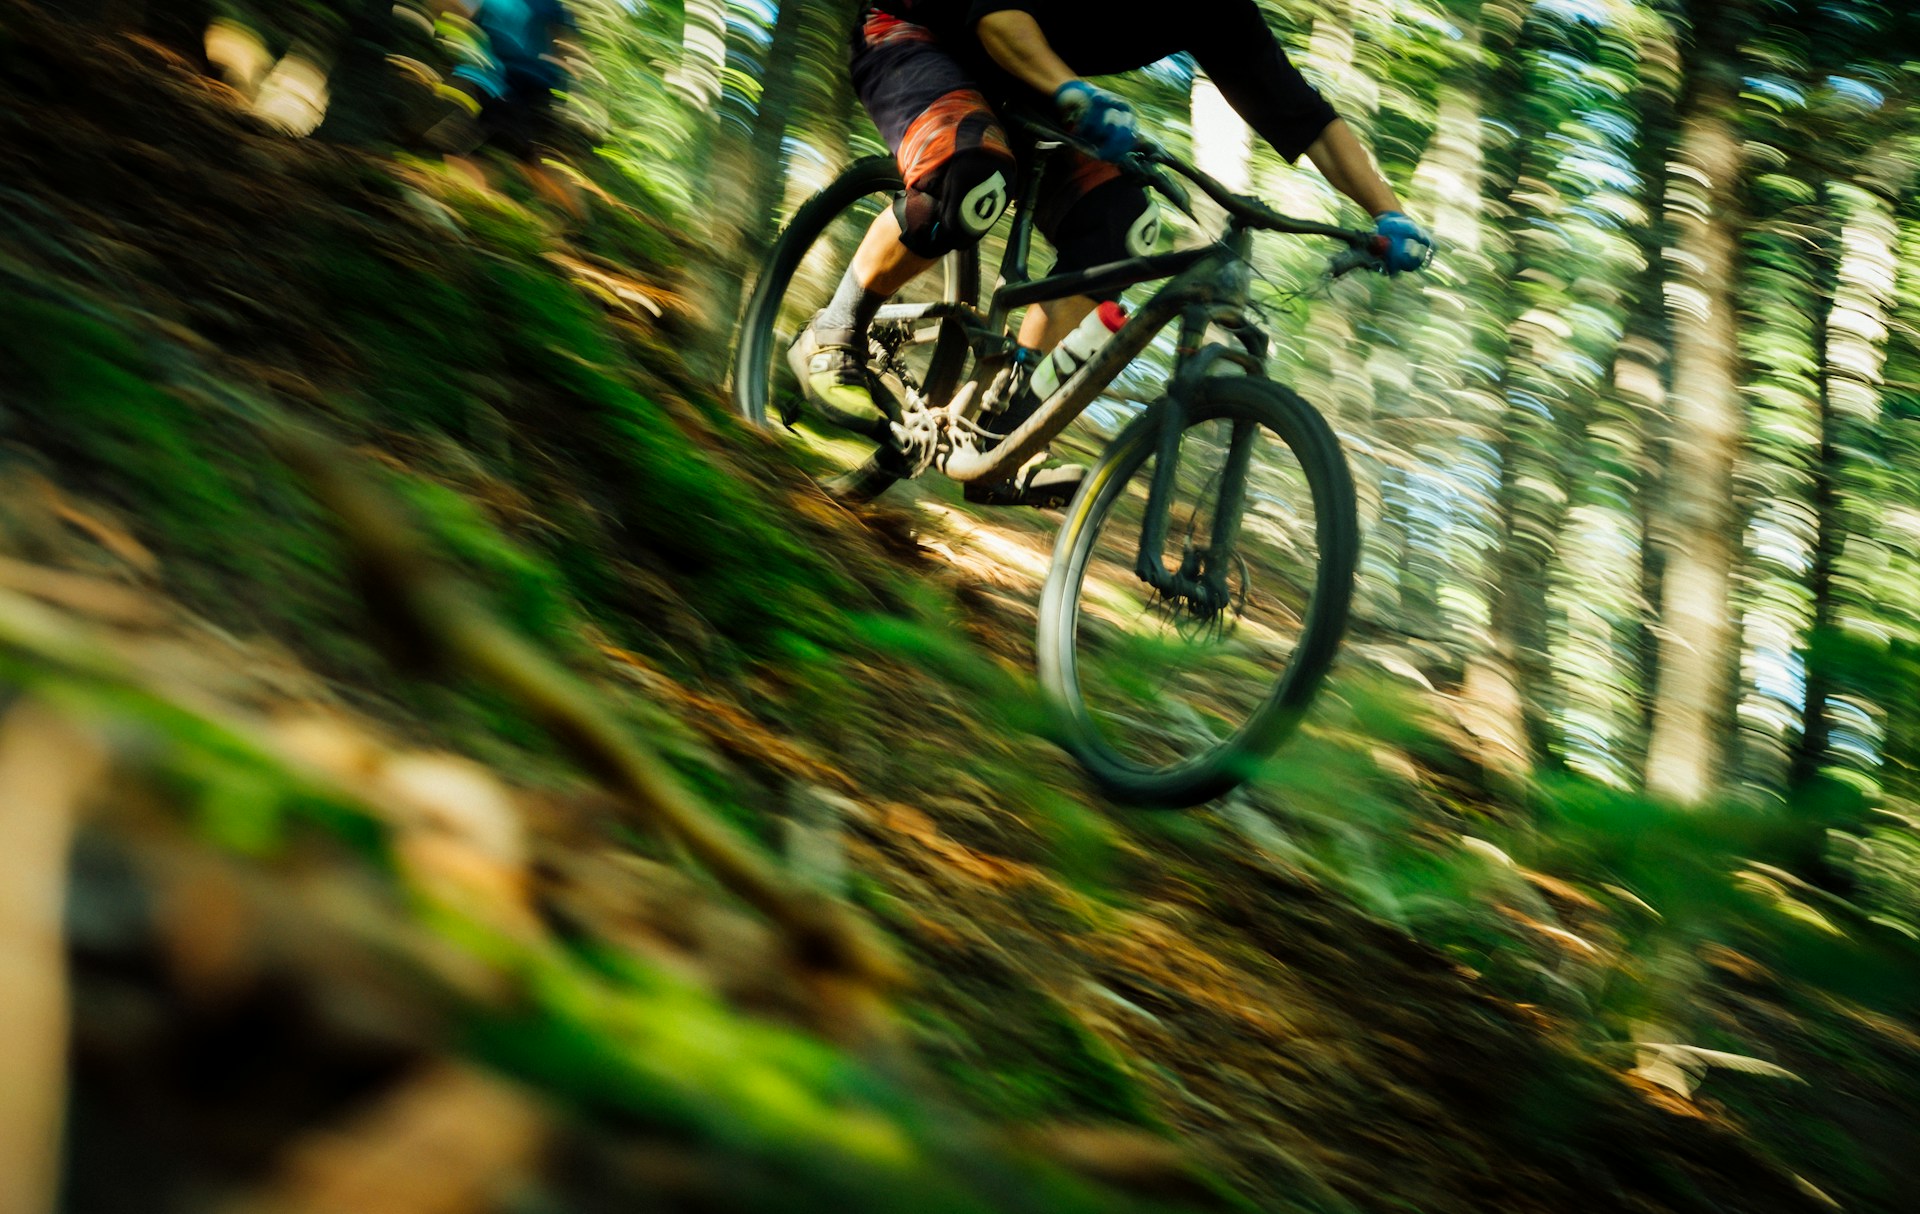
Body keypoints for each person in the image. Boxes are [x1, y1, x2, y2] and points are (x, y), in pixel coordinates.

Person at [791, 0, 1432, 505]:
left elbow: (1305, 117)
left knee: (1121, 226)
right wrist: (1072, 92)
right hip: (921, 32)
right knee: (973, 183)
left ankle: (1002, 427)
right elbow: (994, 13)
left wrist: (1388, 212)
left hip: (1030, 79)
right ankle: (835, 330)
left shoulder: (1219, 12)